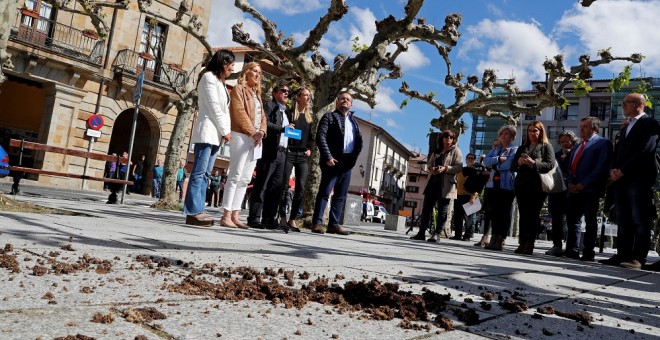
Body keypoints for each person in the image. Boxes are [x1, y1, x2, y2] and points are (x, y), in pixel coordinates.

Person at [602, 93, 660, 269]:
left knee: (639, 219)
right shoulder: (626, 126)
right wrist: (612, 169)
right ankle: (622, 254)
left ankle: (638, 257)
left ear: (639, 104)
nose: (623, 106)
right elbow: (618, 150)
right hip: (620, 180)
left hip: (638, 178)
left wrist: (623, 170)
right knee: (623, 219)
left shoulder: (650, 124)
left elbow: (645, 150)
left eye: (626, 103)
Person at [184, 49, 234, 227]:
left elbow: (224, 110)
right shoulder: (208, 78)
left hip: (216, 135)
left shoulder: (220, 83)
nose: (232, 68)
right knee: (199, 172)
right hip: (207, 131)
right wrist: (225, 130)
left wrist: (225, 131)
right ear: (222, 63)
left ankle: (199, 209)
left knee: (206, 173)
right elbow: (214, 107)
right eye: (231, 64)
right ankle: (193, 211)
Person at [220, 62, 267, 229]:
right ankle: (226, 215)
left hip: (255, 140)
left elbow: (263, 118)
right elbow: (239, 112)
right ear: (246, 72)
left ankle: (235, 214)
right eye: (254, 71)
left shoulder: (258, 95)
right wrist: (253, 132)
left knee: (246, 178)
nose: (257, 74)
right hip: (241, 135)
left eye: (259, 72)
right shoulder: (239, 89)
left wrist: (261, 131)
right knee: (235, 174)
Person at [311, 92, 363, 235]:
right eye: (342, 99)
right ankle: (317, 222)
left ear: (351, 104)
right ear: (337, 102)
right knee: (325, 192)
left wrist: (353, 160)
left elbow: (358, 142)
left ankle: (334, 224)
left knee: (341, 195)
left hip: (347, 163)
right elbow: (320, 137)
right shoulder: (329, 116)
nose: (345, 101)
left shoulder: (354, 121)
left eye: (348, 99)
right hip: (332, 160)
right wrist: (328, 156)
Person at [563, 117, 612, 261]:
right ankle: (572, 249)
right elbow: (571, 167)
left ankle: (588, 252)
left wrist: (584, 184)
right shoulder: (578, 146)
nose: (581, 129)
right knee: (573, 220)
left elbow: (601, 167)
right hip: (574, 189)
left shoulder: (603, 143)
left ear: (595, 129)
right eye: (580, 126)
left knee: (590, 221)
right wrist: (571, 183)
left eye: (585, 126)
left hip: (590, 189)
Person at [247, 82, 293, 229]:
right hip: (270, 151)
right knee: (261, 185)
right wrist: (282, 129)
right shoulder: (269, 106)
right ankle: (254, 217)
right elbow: (265, 123)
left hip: (282, 154)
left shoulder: (286, 112)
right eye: (283, 90)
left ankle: (268, 217)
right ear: (274, 93)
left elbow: (287, 131)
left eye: (288, 92)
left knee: (276, 188)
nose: (286, 93)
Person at [410, 130, 463, 242]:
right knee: (426, 209)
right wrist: (431, 169)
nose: (448, 138)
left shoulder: (456, 151)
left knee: (442, 210)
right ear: (442, 138)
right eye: (445, 136)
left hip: (446, 185)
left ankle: (436, 234)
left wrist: (446, 169)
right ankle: (421, 233)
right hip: (432, 182)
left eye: (450, 137)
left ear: (453, 139)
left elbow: (459, 167)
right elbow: (429, 164)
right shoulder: (437, 151)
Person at [511, 121, 555, 255]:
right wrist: (519, 162)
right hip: (521, 184)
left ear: (541, 132)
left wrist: (534, 163)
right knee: (523, 214)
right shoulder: (522, 147)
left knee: (533, 214)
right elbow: (512, 167)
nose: (532, 133)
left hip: (537, 185)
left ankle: (530, 242)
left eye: (535, 130)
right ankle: (522, 242)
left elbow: (550, 164)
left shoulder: (546, 147)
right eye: (530, 130)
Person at [279, 87, 314, 232]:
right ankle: (282, 217)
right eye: (305, 95)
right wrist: (287, 130)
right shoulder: (289, 113)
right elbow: (284, 131)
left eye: (309, 96)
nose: (308, 98)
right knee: (284, 185)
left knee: (300, 187)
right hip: (289, 152)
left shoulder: (309, 118)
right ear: (298, 97)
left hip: (302, 156)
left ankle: (293, 219)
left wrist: (310, 149)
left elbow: (312, 137)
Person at [482, 126, 518, 251]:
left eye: (506, 134)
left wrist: (495, 165)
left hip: (507, 185)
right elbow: (485, 161)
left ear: (512, 137)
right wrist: (498, 159)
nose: (503, 135)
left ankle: (501, 238)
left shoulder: (514, 149)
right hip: (493, 184)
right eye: (501, 133)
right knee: (495, 212)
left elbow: (508, 165)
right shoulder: (496, 149)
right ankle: (494, 237)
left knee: (504, 212)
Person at [545, 130, 578, 256]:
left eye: (567, 141)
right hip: (557, 191)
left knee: (572, 220)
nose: (564, 144)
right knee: (556, 219)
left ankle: (572, 248)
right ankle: (557, 245)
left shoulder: (576, 154)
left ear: (573, 141)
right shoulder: (555, 155)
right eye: (562, 142)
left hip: (571, 192)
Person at [452, 153, 485, 241]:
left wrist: (473, 197)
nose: (470, 159)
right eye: (469, 158)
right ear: (466, 160)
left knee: (469, 219)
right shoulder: (461, 170)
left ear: (474, 160)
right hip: (458, 195)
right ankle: (457, 235)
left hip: (470, 196)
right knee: (458, 217)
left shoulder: (477, 171)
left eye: (472, 158)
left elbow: (478, 186)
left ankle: (467, 236)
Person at [474, 138, 500, 247]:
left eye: (497, 146)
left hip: (499, 188)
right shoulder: (489, 158)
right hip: (489, 187)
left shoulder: (501, 157)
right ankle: (485, 236)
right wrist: (481, 163)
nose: (494, 148)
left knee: (497, 214)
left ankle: (497, 238)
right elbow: (481, 172)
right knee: (487, 213)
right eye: (493, 145)